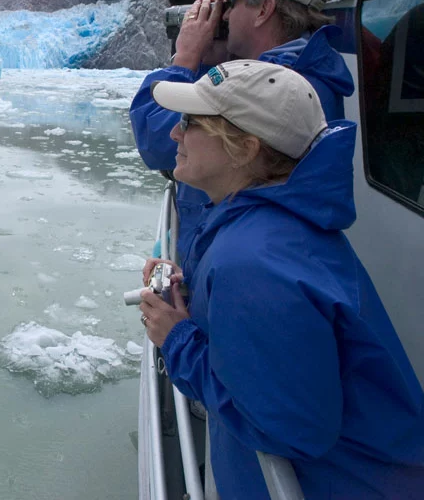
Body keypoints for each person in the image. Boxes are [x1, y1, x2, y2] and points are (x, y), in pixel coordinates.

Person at [138, 60, 424, 499]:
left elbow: (291, 431)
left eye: (191, 122)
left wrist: (177, 341)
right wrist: (192, 297)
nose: (174, 133)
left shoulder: (254, 263)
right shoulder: (267, 226)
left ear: (245, 147)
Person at [130, 0, 355, 261]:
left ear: (264, 10)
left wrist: (184, 57)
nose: (223, 17)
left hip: (231, 254)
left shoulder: (277, 90)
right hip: (224, 244)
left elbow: (157, 141)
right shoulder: (302, 70)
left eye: (234, 3)